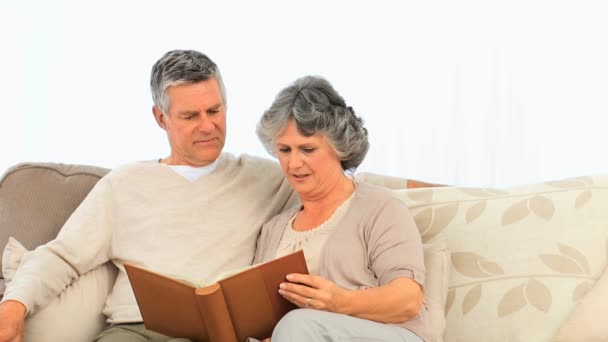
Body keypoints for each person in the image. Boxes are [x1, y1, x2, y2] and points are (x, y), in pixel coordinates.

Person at [0, 50, 298, 342]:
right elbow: (63, 255)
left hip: (208, 332)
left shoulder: (269, 178)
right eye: (190, 116)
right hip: (131, 329)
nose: (208, 126)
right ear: (161, 117)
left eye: (214, 110)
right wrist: (15, 303)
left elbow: (335, 194)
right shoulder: (125, 184)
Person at [253, 76, 429, 341]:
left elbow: (408, 299)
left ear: (339, 148)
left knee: (299, 325)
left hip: (390, 334)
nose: (294, 163)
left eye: (307, 149)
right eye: (284, 150)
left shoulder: (382, 208)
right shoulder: (272, 229)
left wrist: (340, 301)